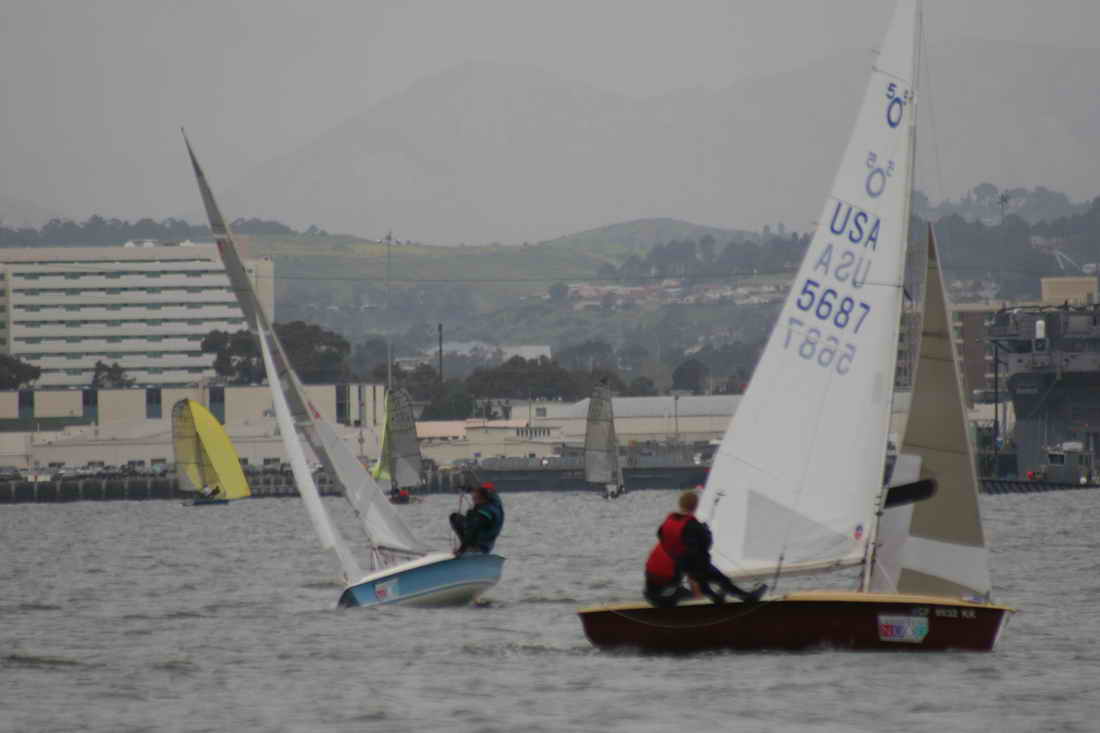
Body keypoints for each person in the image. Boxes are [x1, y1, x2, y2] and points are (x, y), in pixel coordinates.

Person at [644, 490, 766, 607]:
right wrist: (706, 531)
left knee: (705, 585)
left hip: (681, 566)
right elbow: (706, 544)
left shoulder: (668, 522)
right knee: (723, 580)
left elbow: (662, 536)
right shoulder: (694, 525)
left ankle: (718, 600)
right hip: (696, 565)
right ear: (695, 506)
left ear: (680, 504)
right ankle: (748, 598)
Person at [450, 482, 504, 555]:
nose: (473, 500)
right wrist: (469, 489)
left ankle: (473, 548)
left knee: (471, 518)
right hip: (483, 534)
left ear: (482, 499)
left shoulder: (485, 512)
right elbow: (484, 491)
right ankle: (470, 547)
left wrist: (461, 550)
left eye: (475, 498)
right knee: (455, 518)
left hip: (483, 544)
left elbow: (473, 531)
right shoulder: (494, 500)